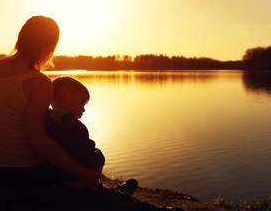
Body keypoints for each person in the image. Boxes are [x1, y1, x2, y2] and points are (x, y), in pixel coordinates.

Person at [0, 16, 100, 190]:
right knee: (73, 152)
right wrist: (82, 172)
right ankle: (95, 191)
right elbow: (36, 139)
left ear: (21, 37)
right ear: (51, 45)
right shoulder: (39, 82)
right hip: (21, 173)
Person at [45, 76, 184, 211]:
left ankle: (117, 192)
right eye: (81, 102)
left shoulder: (48, 119)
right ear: (65, 95)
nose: (83, 109)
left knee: (116, 193)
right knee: (126, 201)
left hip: (63, 184)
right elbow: (89, 158)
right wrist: (100, 157)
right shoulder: (73, 125)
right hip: (82, 188)